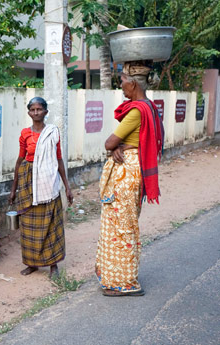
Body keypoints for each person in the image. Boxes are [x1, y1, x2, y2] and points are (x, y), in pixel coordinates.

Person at [96, 61, 164, 297]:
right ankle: (118, 277)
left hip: (126, 173)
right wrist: (120, 145)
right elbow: (127, 142)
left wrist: (116, 146)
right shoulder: (149, 107)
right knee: (124, 224)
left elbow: (109, 143)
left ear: (133, 83)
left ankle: (124, 283)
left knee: (122, 228)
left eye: (123, 80)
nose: (121, 85)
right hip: (133, 170)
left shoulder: (136, 111)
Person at [9, 97, 73, 278]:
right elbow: (20, 159)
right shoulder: (25, 134)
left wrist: (67, 187)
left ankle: (53, 265)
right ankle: (32, 263)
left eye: (39, 109)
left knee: (51, 224)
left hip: (49, 183)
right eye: (32, 109)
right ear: (29, 112)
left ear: (46, 112)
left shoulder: (52, 133)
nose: (36, 112)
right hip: (28, 183)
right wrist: (13, 189)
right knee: (28, 225)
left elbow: (58, 159)